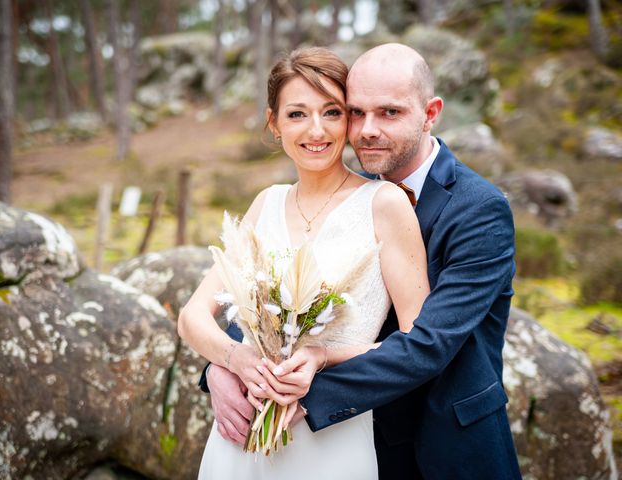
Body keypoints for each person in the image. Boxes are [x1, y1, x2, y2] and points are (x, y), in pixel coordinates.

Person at [203, 43, 522, 480]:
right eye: (356, 112)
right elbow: (273, 302)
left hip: (441, 442)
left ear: (431, 113)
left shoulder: (478, 208)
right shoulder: (346, 196)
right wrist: (224, 366)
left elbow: (429, 343)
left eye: (390, 112)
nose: (367, 129)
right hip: (359, 437)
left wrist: (294, 385)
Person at [177, 46, 430, 479]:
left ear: (348, 119)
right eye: (297, 114)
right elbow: (192, 316)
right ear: (274, 123)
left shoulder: (384, 204)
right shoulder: (266, 203)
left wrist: (323, 356)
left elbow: (417, 342)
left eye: (331, 112)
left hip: (331, 441)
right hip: (239, 439)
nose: (317, 130)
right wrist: (234, 360)